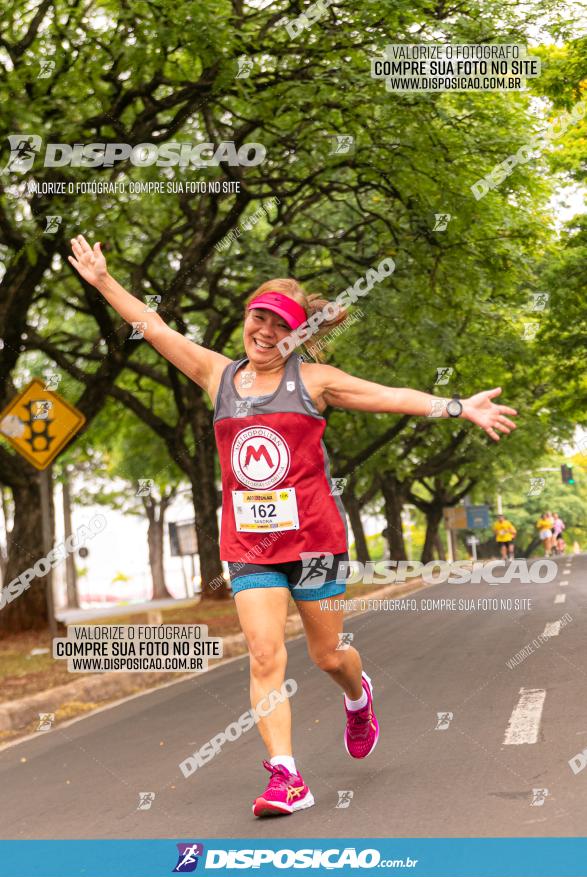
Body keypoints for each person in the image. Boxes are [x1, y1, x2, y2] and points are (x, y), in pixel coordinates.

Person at [68, 234, 518, 817]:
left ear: (299, 334)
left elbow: (392, 396)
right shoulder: (218, 376)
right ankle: (286, 776)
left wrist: (459, 406)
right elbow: (153, 327)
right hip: (251, 547)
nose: (265, 332)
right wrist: (103, 282)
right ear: (246, 320)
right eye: (259, 318)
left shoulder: (316, 382)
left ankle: (359, 697)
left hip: (314, 542)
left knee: (328, 655)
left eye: (280, 325)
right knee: (263, 654)